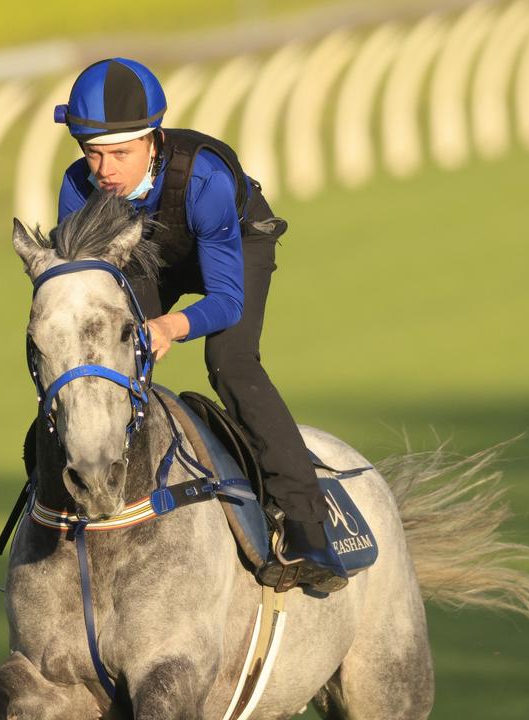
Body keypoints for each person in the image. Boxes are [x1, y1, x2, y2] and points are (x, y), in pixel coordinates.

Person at [50, 57, 346, 593]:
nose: (105, 170)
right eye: (93, 153)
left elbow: (226, 301)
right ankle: (94, 490)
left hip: (234, 243)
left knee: (229, 361)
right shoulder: (78, 190)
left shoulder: (204, 176)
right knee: (108, 358)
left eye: (121, 153)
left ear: (154, 141)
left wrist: (170, 327)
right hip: (143, 257)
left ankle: (307, 525)